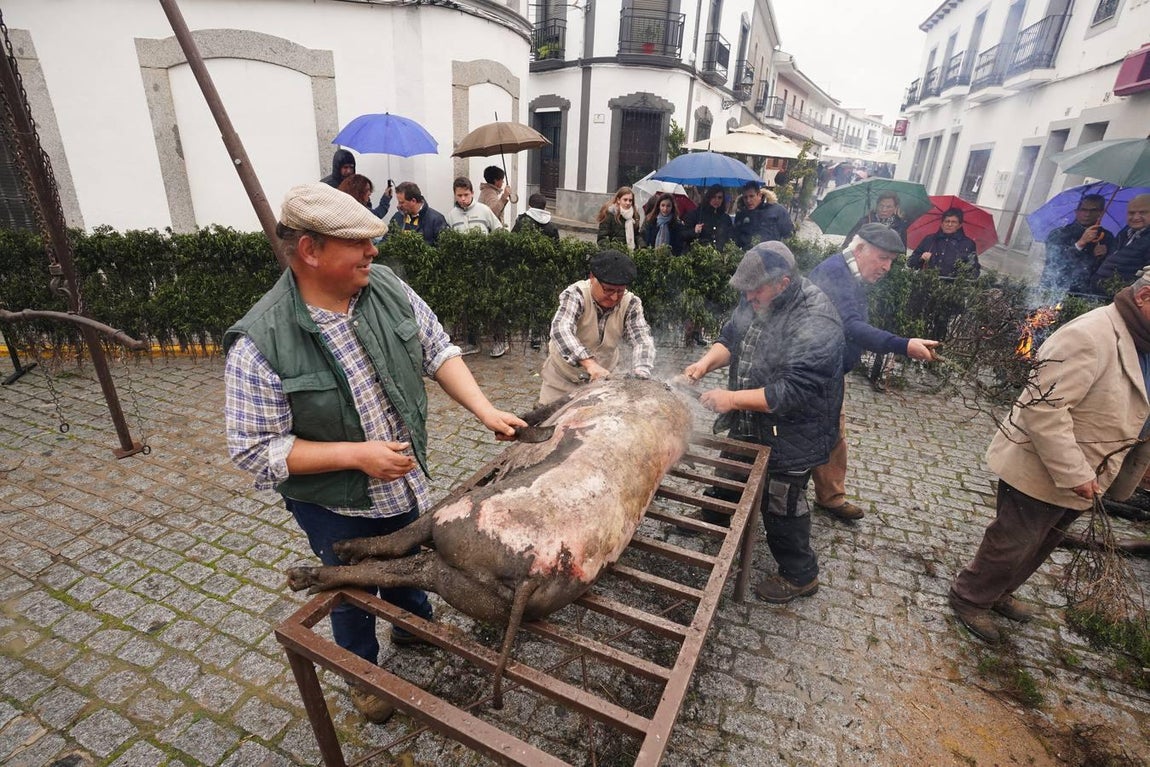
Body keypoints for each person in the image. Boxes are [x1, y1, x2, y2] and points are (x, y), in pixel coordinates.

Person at [223, 183, 525, 723]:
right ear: (311, 251)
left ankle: (413, 632)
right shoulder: (259, 343)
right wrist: (357, 456)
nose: (374, 252)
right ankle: (360, 673)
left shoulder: (384, 286)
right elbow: (254, 450)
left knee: (412, 562)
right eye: (359, 243)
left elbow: (438, 349)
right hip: (336, 504)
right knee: (351, 587)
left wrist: (484, 410)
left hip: (403, 483)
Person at [949, 267, 1150, 644]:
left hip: (1092, 471)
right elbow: (1045, 409)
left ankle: (999, 593)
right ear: (1144, 297)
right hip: (1046, 466)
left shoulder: (1143, 340)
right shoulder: (1089, 335)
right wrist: (1075, 472)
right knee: (1013, 540)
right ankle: (970, 597)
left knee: (1045, 541)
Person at [682, 241, 845, 603]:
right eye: (745, 291)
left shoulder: (816, 319)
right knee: (732, 466)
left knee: (781, 500)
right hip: (751, 417)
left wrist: (731, 399)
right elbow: (731, 337)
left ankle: (800, 574)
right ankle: (715, 517)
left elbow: (792, 391)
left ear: (783, 283)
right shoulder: (756, 294)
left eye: (755, 291)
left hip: (795, 429)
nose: (749, 297)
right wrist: (704, 364)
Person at [808, 224, 941, 521]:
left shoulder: (850, 272)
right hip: (812, 373)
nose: (886, 267)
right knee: (812, 434)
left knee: (833, 432)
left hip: (829, 370)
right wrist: (903, 345)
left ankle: (830, 496)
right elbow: (851, 326)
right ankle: (760, 495)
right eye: (882, 257)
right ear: (859, 249)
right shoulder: (834, 273)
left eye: (892, 261)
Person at [538, 249, 656, 405]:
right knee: (546, 423)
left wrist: (641, 372)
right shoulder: (576, 294)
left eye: (620, 291)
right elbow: (561, 328)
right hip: (562, 379)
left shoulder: (631, 304)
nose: (614, 297)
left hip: (603, 385)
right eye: (608, 290)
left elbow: (642, 340)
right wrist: (590, 364)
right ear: (592, 277)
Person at [1039, 193, 1114, 296]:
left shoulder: (1106, 237)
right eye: (1083, 209)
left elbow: (1108, 268)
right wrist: (1080, 243)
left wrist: (1102, 257)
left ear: (1100, 213)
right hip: (1056, 288)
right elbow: (1055, 261)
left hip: (1085, 293)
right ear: (1076, 211)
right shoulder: (1059, 233)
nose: (1087, 214)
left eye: (1093, 210)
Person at [1090, 194, 1150, 293]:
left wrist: (1127, 295)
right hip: (1100, 294)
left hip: (1122, 298)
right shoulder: (1124, 233)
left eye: (1142, 212)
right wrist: (1103, 255)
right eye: (1131, 213)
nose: (1135, 217)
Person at [908, 207, 980, 278]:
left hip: (952, 287)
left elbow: (974, 272)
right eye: (947, 221)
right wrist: (921, 258)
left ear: (960, 225)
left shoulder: (968, 244)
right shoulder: (930, 239)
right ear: (942, 223)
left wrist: (962, 269)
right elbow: (910, 263)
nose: (949, 225)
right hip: (926, 284)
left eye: (954, 222)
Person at [733, 181, 794, 250]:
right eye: (745, 197)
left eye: (751, 196)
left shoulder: (777, 210)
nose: (748, 200)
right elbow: (736, 238)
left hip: (772, 255)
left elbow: (788, 235)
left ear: (759, 195)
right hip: (747, 256)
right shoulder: (741, 214)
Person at [843, 191, 909, 249]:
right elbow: (847, 243)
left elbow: (902, 252)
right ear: (877, 205)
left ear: (895, 208)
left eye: (888, 207)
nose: (884, 210)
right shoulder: (865, 221)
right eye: (881, 206)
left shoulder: (900, 226)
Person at [682, 184, 733, 251]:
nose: (716, 200)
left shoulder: (726, 218)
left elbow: (730, 238)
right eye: (713, 197)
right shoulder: (696, 214)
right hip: (699, 254)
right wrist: (694, 231)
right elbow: (683, 235)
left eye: (720, 197)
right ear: (709, 197)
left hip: (720, 256)